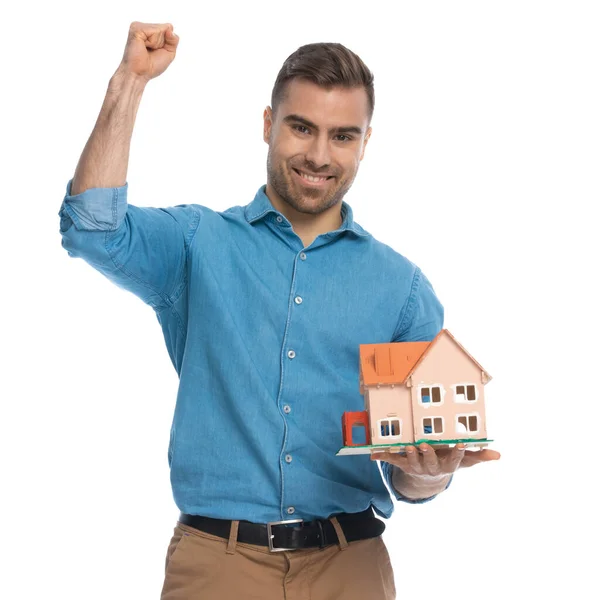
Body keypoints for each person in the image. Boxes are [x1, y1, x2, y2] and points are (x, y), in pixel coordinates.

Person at [58, 21, 500, 600]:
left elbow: (410, 472)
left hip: (351, 569)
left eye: (342, 135)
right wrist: (130, 83)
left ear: (366, 142)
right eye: (301, 127)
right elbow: (92, 229)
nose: (319, 155)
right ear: (268, 125)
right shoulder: (197, 243)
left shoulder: (403, 288)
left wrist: (429, 473)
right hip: (217, 567)